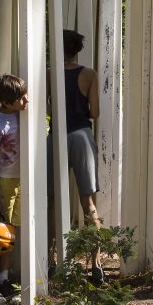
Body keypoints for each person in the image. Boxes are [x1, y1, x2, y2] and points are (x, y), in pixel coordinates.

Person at [47, 28, 104, 284]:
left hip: (57, 136)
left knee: (50, 202)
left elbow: (47, 107)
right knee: (88, 202)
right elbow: (95, 112)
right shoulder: (89, 74)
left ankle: (49, 261)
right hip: (81, 134)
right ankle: (96, 264)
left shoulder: (50, 74)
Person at [0, 73, 28, 305]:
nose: (26, 100)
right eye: (21, 98)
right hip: (4, 180)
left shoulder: (22, 116)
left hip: (22, 179)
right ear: (7, 102)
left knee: (12, 232)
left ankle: (4, 277)